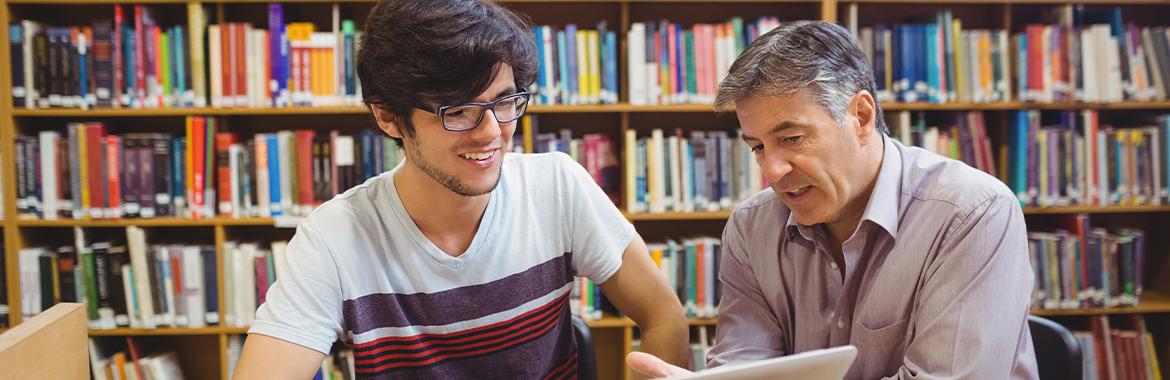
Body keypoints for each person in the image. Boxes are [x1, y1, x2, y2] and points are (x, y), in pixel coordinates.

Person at [233, 0, 689, 378]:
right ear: (389, 117)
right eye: (459, 111)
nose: (492, 132)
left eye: (505, 102)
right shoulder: (335, 237)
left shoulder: (556, 186)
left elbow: (664, 315)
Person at [627, 20, 1038, 379]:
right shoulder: (751, 227)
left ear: (860, 117)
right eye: (756, 147)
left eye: (791, 139)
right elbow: (744, 370)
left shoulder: (971, 214)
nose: (771, 172)